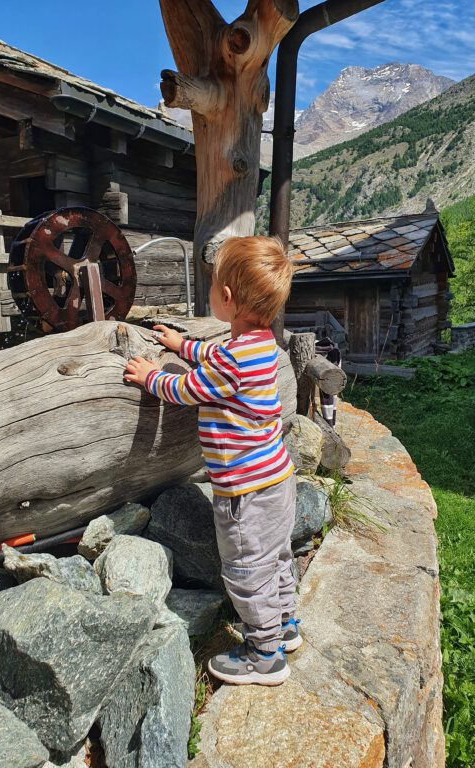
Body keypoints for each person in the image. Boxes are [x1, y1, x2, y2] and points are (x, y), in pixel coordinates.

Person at [124, 235, 301, 686]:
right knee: (276, 557)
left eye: (213, 284)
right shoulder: (258, 346)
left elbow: (188, 390)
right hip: (276, 481)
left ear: (226, 297)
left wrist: (152, 376)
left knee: (246, 569)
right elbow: (216, 356)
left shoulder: (232, 362)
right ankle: (284, 625)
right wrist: (182, 344)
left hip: (246, 492)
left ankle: (264, 654)